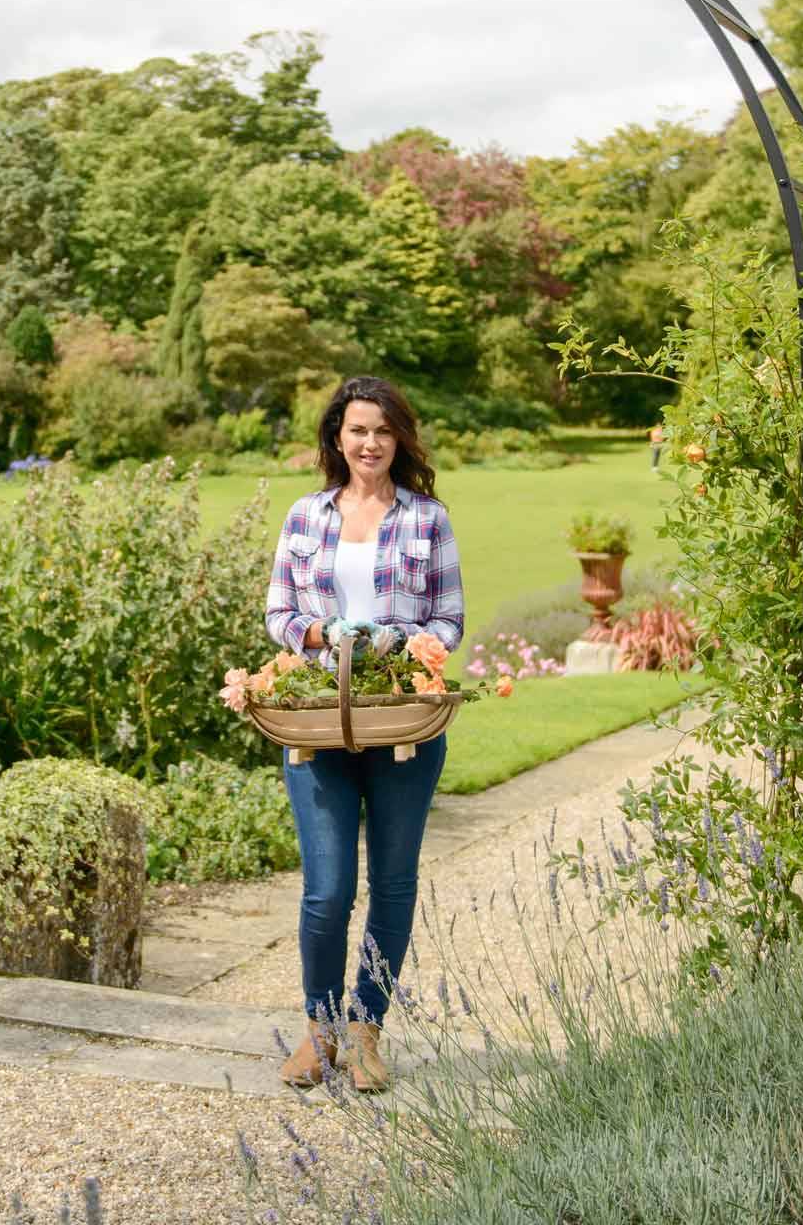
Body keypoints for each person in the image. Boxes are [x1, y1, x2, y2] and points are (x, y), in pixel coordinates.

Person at [264, 375, 464, 1092]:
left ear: (398, 438)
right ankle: (317, 1033)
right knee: (326, 889)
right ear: (337, 438)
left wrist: (389, 641)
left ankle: (366, 1032)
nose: (370, 443)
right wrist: (320, 632)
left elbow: (449, 621)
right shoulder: (305, 513)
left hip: (401, 719)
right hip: (317, 717)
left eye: (382, 430)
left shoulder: (426, 518)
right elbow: (278, 610)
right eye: (357, 430)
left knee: (393, 883)